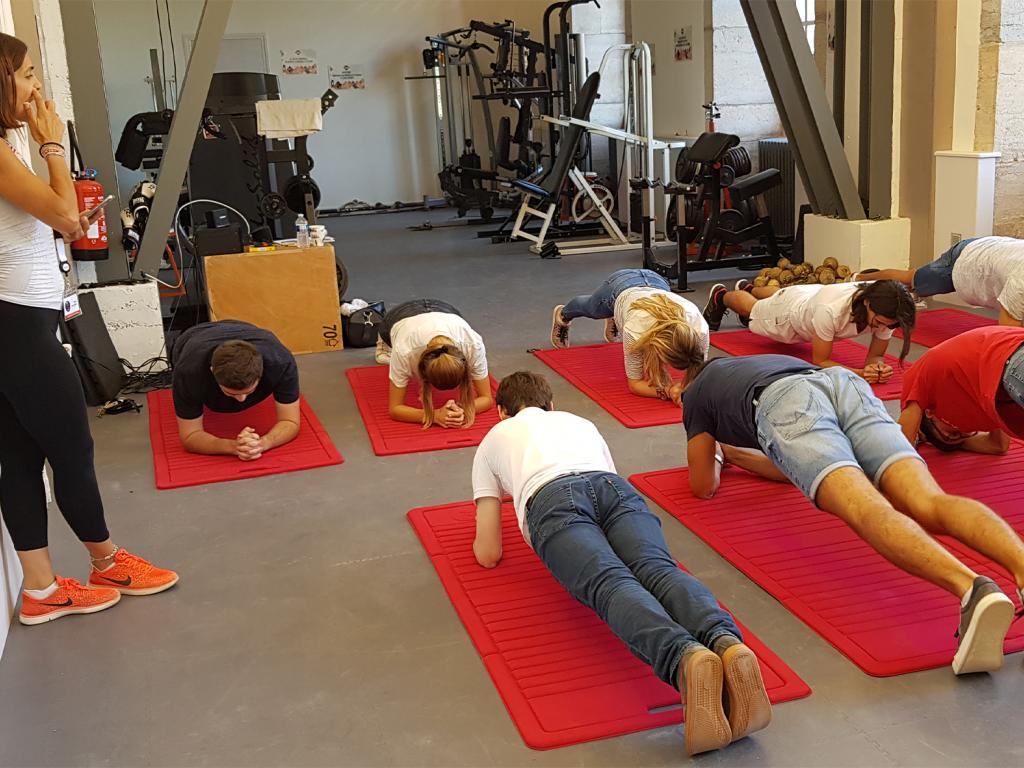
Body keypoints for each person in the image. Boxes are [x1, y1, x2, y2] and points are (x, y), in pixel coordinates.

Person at [471, 371, 772, 755]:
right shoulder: (579, 422)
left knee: (610, 583)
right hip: (613, 489)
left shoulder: (492, 440)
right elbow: (604, 477)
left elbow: (489, 551)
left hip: (550, 499)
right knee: (658, 570)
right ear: (551, 405)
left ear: (501, 413)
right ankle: (725, 642)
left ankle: (683, 657)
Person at [679, 353, 1024, 675]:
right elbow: (789, 470)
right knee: (928, 499)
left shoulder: (695, 397)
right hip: (842, 384)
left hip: (785, 404)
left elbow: (703, 485)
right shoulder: (752, 364)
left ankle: (971, 589)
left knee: (866, 507)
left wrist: (728, 454)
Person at [0, 33, 177, 625]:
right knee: (71, 447)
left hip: (18, 314)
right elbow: (64, 217)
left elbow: (51, 222)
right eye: (26, 75)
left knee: (18, 456)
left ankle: (43, 591)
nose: (35, 88)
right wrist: (53, 146)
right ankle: (108, 563)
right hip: (16, 320)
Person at [702, 279, 915, 384]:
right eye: (878, 322)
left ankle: (750, 288)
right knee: (752, 310)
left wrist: (878, 368)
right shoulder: (830, 311)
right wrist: (860, 373)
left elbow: (876, 355)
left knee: (777, 295)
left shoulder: (888, 308)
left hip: (809, 294)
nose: (882, 328)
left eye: (888, 325)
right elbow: (821, 360)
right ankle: (721, 296)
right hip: (789, 315)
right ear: (867, 303)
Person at [550, 268, 709, 403]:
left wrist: (686, 390)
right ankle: (563, 315)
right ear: (659, 348)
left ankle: (619, 316)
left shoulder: (700, 329)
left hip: (656, 282)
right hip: (620, 286)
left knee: (629, 316)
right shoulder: (636, 331)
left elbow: (700, 373)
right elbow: (635, 384)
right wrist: (668, 391)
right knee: (590, 308)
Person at [170, 319, 300, 460]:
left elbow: (291, 422)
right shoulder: (188, 371)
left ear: (261, 372)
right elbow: (190, 436)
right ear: (212, 372)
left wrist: (263, 444)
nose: (241, 400)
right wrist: (234, 447)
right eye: (231, 393)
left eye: (249, 392)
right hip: (191, 338)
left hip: (246, 328)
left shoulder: (281, 361)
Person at [898, 326, 1024, 453]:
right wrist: (945, 442)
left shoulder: (922, 376)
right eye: (964, 436)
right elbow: (998, 446)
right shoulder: (981, 394)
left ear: (929, 412)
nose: (965, 432)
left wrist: (921, 432)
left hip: (1013, 355)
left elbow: (901, 449)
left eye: (953, 433)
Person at [376, 298, 492, 429]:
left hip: (447, 312)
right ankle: (383, 344)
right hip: (398, 317)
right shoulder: (404, 350)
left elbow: (487, 399)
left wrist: (461, 410)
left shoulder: (473, 344)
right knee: (389, 348)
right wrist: (434, 415)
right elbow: (395, 409)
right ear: (422, 374)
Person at [856, 236, 1024, 326]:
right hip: (965, 257)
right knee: (910, 281)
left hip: (994, 251)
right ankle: (858, 278)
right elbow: (1007, 331)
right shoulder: (1020, 282)